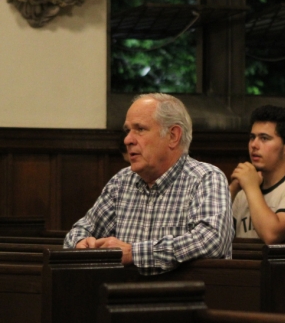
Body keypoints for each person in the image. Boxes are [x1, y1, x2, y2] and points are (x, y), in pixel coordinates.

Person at [64, 93, 234, 275]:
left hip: (184, 299)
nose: (127, 140)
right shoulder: (122, 182)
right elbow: (81, 230)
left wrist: (133, 253)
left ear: (173, 136)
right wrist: (80, 243)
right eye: (128, 130)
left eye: (140, 129)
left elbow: (212, 241)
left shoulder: (205, 178)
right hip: (122, 298)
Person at [231, 105, 285, 244]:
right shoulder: (244, 188)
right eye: (252, 137)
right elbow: (216, 236)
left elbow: (271, 234)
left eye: (264, 138)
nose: (254, 145)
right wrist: (232, 190)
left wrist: (251, 187)